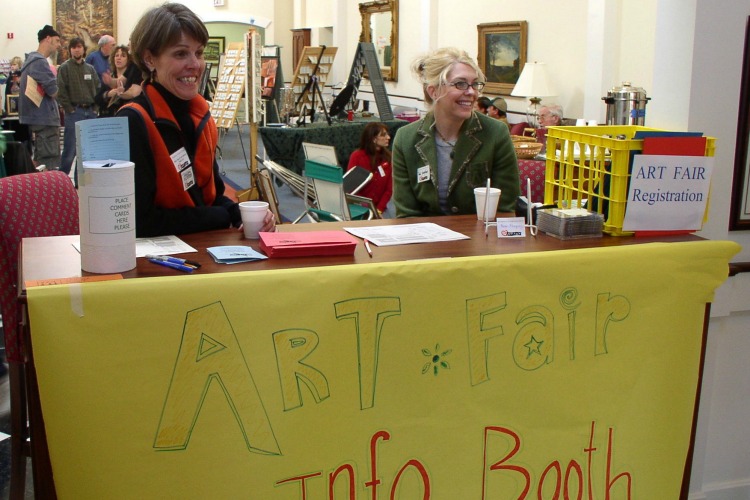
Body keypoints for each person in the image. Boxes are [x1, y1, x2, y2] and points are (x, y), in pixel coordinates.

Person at [117, 2, 275, 237]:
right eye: (181, 53)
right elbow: (140, 221)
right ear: (150, 59)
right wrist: (220, 217)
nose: (195, 64)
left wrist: (238, 212)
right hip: (159, 266)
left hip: (203, 254)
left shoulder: (201, 116)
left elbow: (209, 196)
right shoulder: (133, 121)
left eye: (199, 52)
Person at [391, 47, 519, 217]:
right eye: (461, 84)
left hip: (481, 239)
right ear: (433, 91)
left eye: (475, 84)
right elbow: (407, 214)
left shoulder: (496, 133)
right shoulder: (406, 139)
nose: (472, 92)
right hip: (425, 240)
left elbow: (505, 209)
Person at [19, 25, 62, 171]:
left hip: (39, 120)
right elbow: (54, 91)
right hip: (45, 121)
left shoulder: (31, 61)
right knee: (50, 163)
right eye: (56, 41)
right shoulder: (39, 62)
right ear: (47, 39)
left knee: (40, 162)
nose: (58, 45)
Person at [57, 37, 99, 175]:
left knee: (87, 150)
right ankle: (62, 180)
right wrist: (70, 109)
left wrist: (96, 108)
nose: (77, 49)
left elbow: (98, 88)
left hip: (90, 112)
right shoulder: (64, 68)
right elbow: (61, 90)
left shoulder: (90, 69)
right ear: (70, 50)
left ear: (83, 49)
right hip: (74, 112)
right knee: (70, 149)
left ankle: (80, 181)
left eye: (79, 46)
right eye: (74, 47)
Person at [347, 122, 393, 214]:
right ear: (373, 139)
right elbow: (351, 187)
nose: (388, 137)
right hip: (358, 208)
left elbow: (389, 189)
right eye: (383, 135)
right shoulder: (357, 157)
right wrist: (366, 208)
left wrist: (379, 210)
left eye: (387, 134)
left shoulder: (388, 158)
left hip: (380, 208)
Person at [95, 45, 143, 117]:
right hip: (109, 117)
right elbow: (97, 99)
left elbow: (134, 94)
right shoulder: (110, 76)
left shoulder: (134, 74)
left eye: (123, 56)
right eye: (116, 55)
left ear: (128, 59)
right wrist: (108, 94)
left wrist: (120, 93)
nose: (119, 58)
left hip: (128, 115)